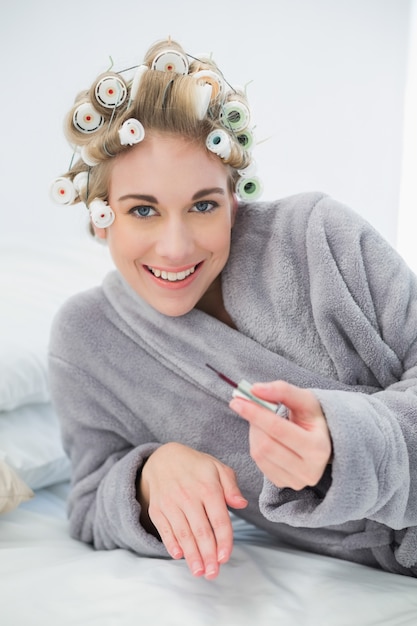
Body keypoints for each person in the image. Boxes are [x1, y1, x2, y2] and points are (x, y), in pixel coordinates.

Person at [48, 37, 417, 581]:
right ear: (103, 217)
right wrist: (150, 475)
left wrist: (346, 441)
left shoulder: (319, 238)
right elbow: (88, 500)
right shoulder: (86, 341)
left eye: (202, 205)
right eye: (143, 210)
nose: (175, 248)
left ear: (234, 197)